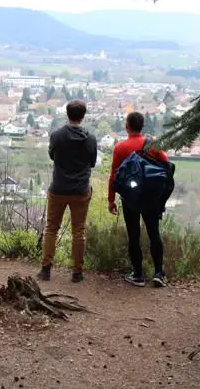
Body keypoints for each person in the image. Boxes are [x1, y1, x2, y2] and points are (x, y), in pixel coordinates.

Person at [37, 99, 97, 283]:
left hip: (58, 188)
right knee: (78, 231)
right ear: (83, 116)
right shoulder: (90, 139)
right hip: (80, 190)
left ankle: (46, 269)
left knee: (51, 228)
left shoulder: (57, 136)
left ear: (67, 114)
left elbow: (52, 156)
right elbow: (93, 163)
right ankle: (77, 272)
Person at [108, 111, 170, 288]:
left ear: (127, 127)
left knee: (133, 236)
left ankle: (138, 275)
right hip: (151, 198)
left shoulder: (120, 148)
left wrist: (111, 199)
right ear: (142, 127)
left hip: (130, 199)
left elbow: (113, 176)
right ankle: (158, 273)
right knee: (154, 234)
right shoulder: (152, 144)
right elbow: (166, 166)